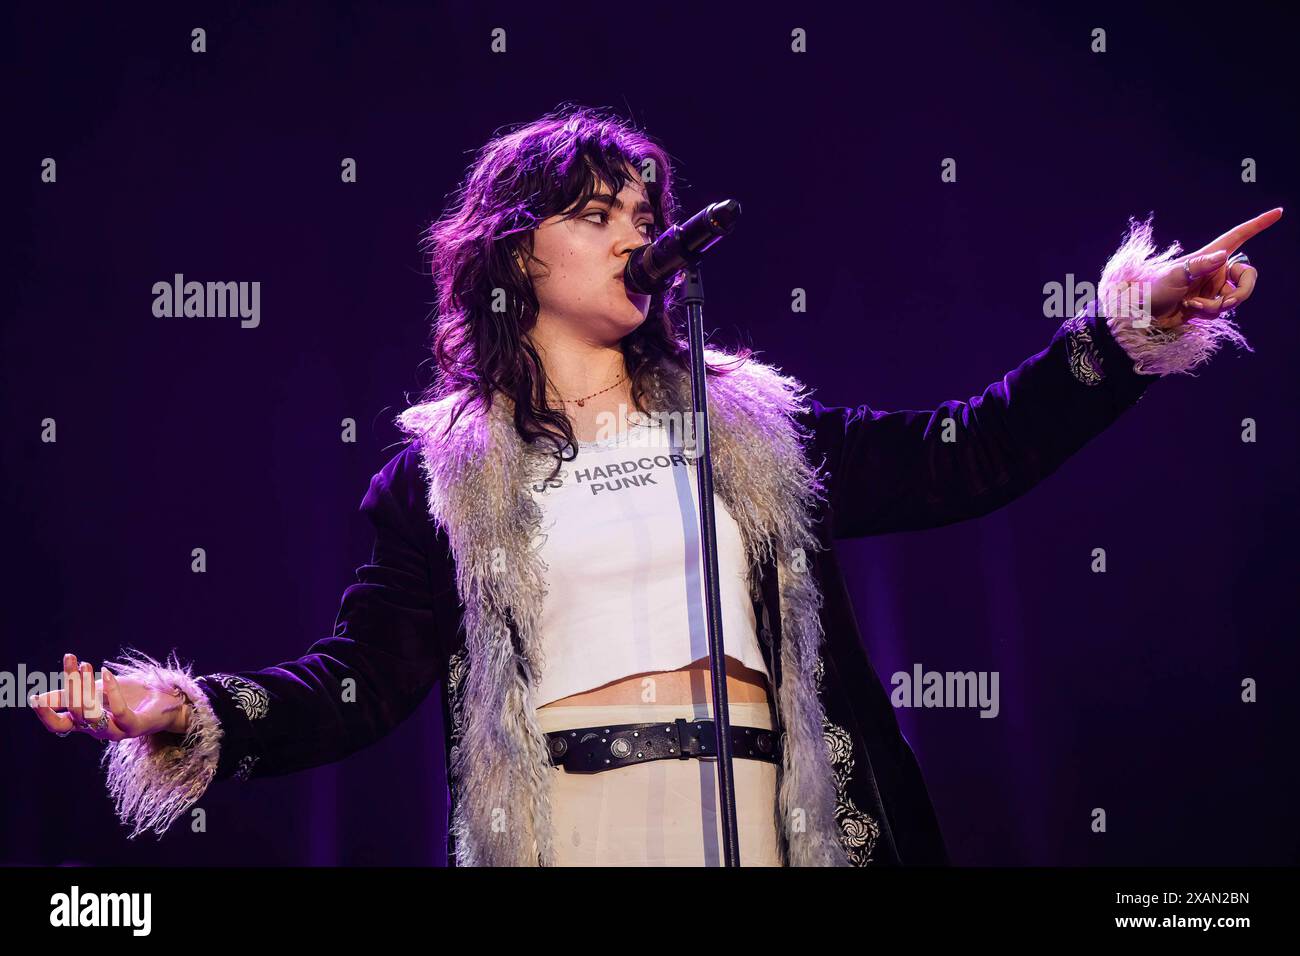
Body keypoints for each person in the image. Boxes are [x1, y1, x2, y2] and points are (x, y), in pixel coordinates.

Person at [29, 104, 1279, 866]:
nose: (637, 229)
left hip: (767, 811)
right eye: (595, 211)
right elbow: (357, 687)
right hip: (580, 827)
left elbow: (967, 453)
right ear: (517, 246)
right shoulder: (442, 478)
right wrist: (183, 710)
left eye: (645, 208)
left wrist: (1125, 327)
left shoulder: (751, 430)